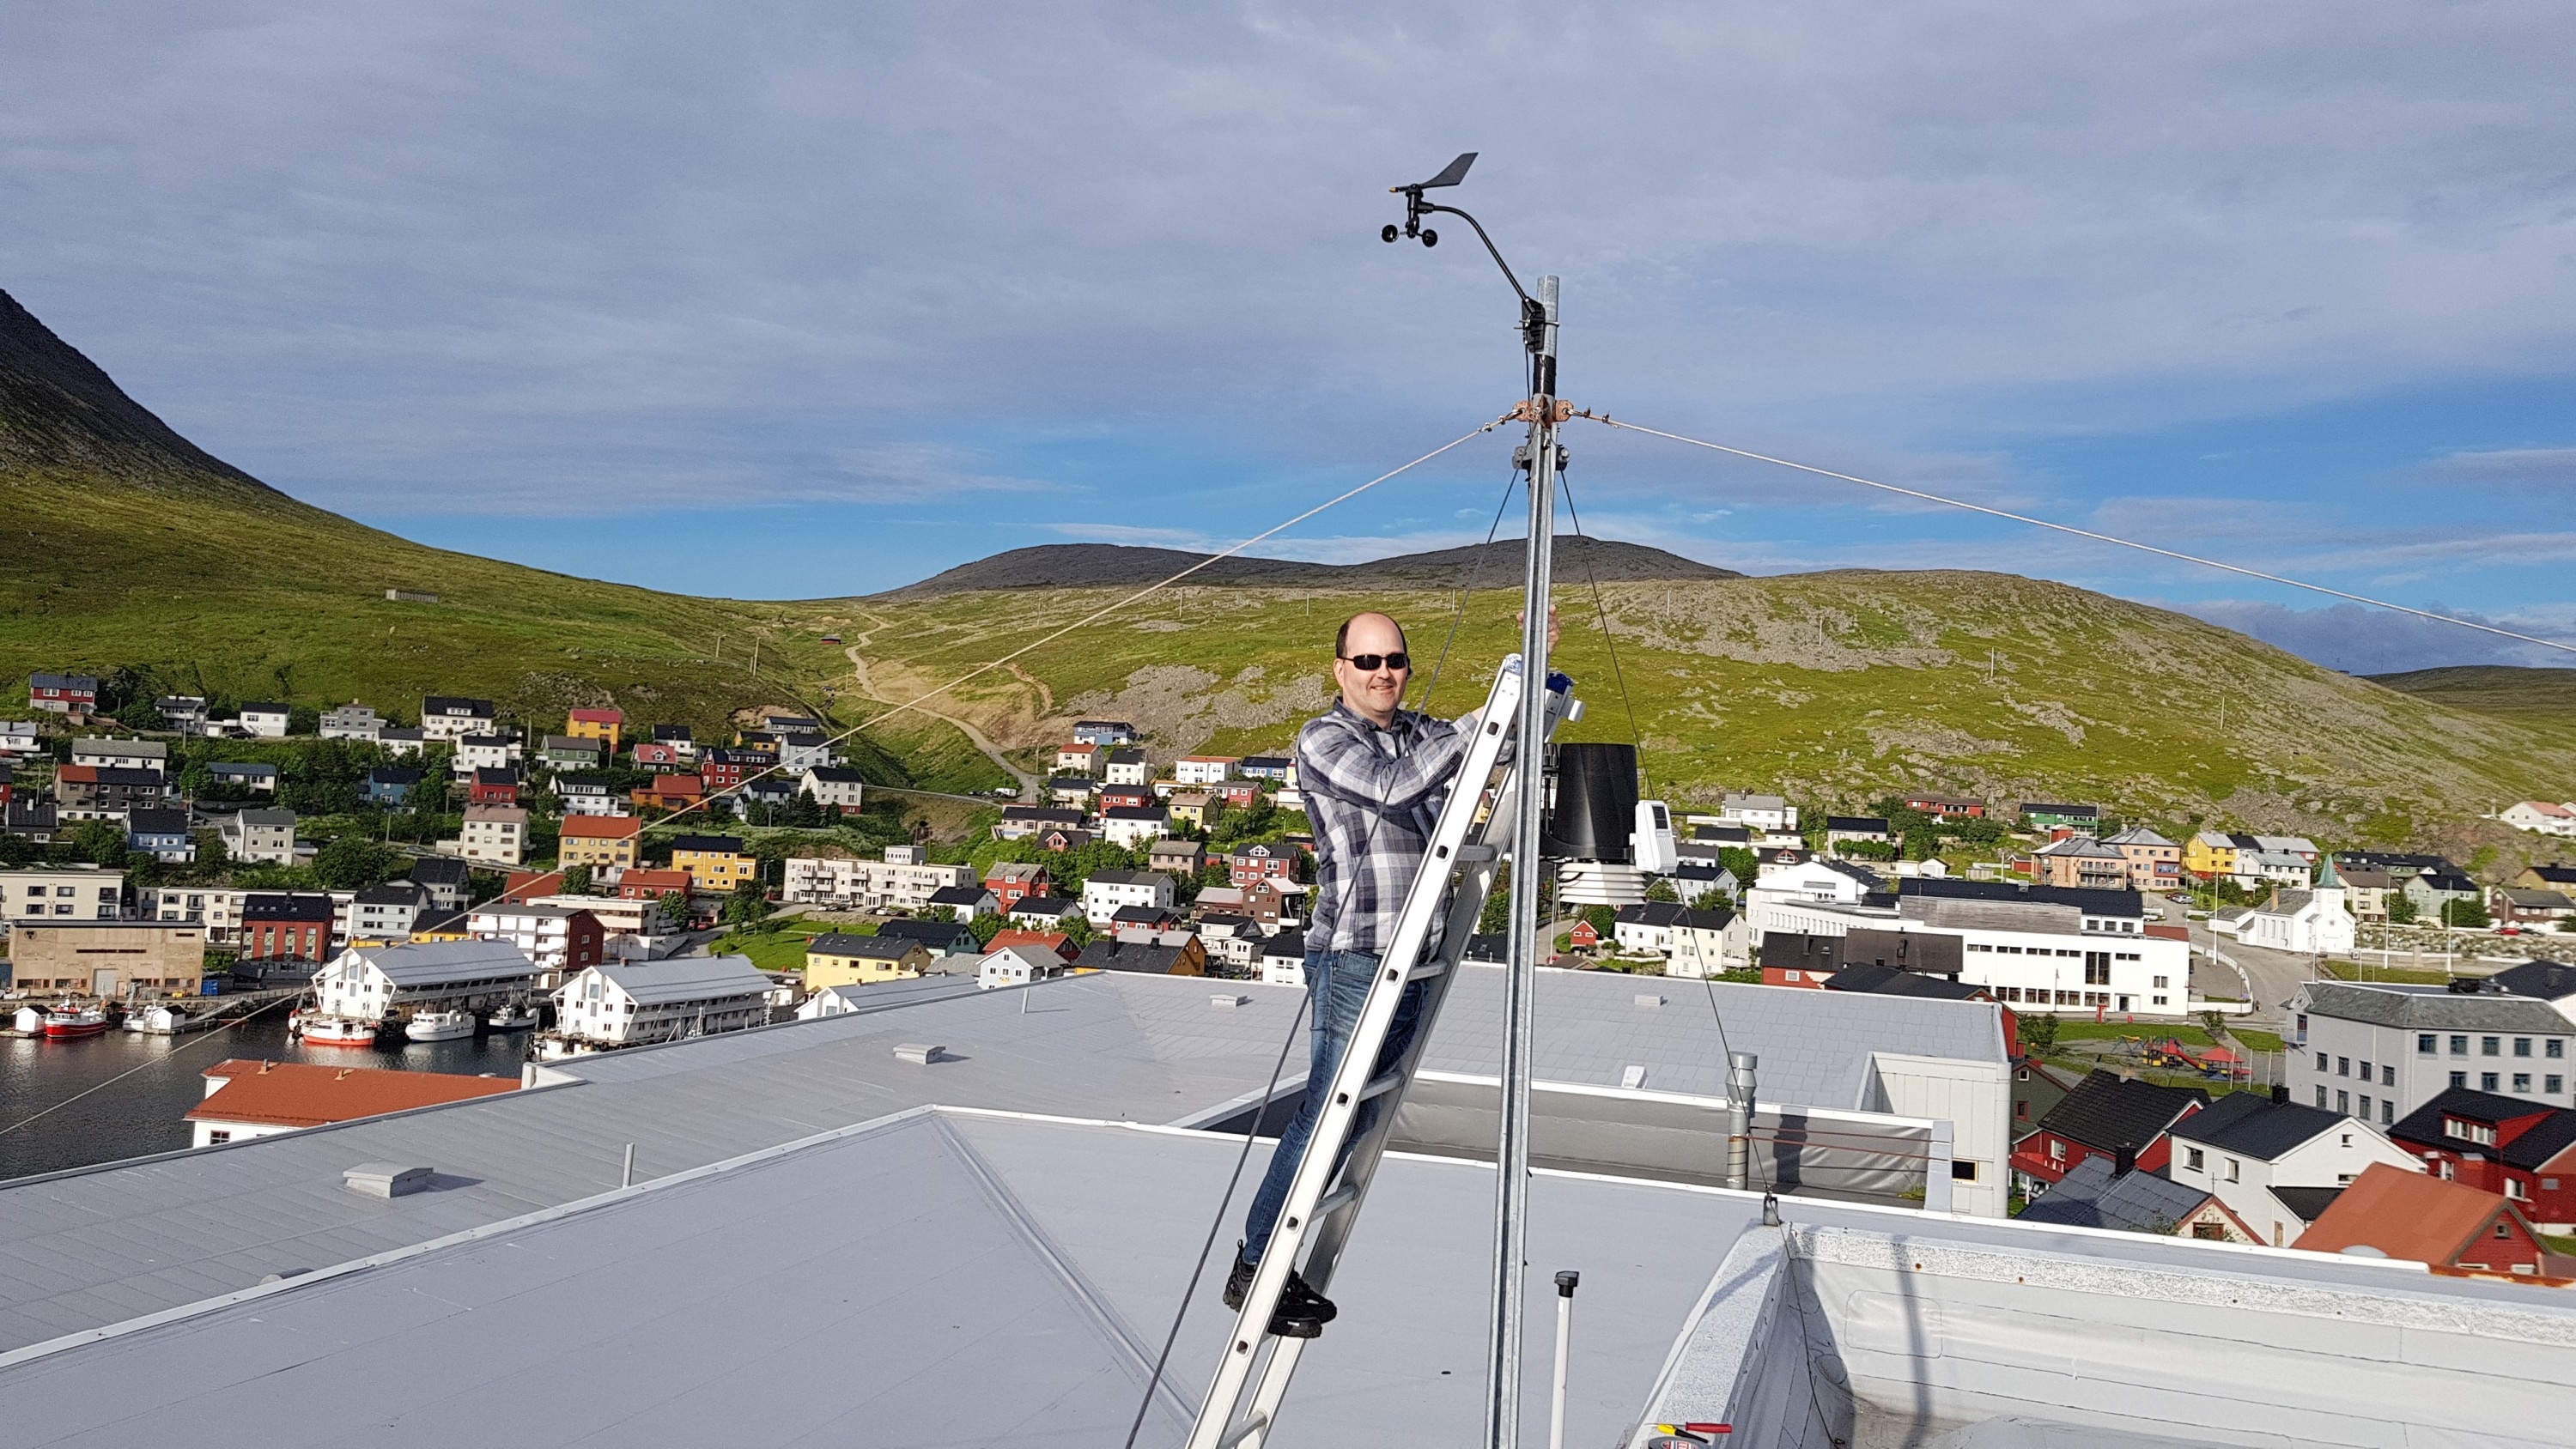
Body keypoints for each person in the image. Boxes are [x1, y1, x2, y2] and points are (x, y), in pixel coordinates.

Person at [1223, 607, 1548, 1337]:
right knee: (1327, 1112)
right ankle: (1255, 1267)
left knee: (1362, 1114)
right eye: (1367, 661)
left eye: (1394, 660)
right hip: (1357, 954)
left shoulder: (1422, 734)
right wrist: (1493, 711)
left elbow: (1484, 747)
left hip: (1414, 958)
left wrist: (1526, 677)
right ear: (1340, 669)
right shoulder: (1325, 738)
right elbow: (1396, 787)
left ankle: (1283, 1262)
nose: (1383, 674)